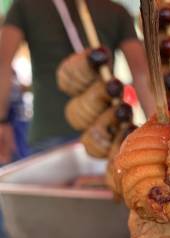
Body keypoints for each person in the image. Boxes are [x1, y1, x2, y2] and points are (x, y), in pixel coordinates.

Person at [0, 0, 156, 163]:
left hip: (50, 132)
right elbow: (141, 72)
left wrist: (2, 120)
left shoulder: (25, 5)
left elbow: (3, 63)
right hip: (105, 135)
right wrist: (156, 128)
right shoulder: (115, 10)